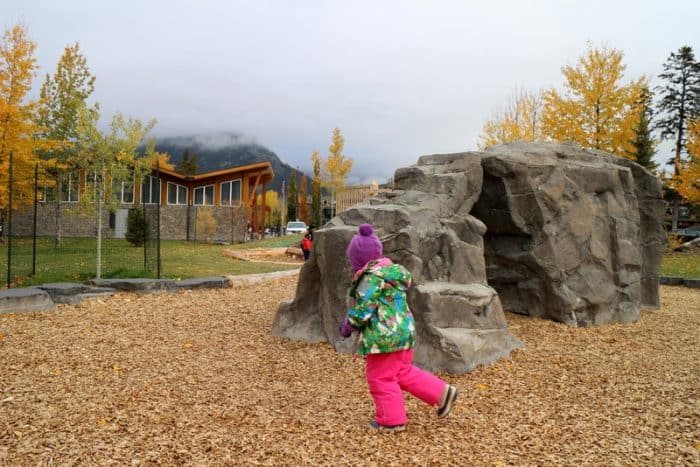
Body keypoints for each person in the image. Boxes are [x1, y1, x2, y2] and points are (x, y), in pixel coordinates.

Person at [339, 223, 459, 432]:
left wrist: (349, 323)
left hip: (384, 337)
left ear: (358, 260)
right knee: (402, 371)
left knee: (380, 377)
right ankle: (441, 392)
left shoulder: (370, 279)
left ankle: (391, 419)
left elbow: (365, 308)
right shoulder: (391, 274)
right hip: (404, 332)